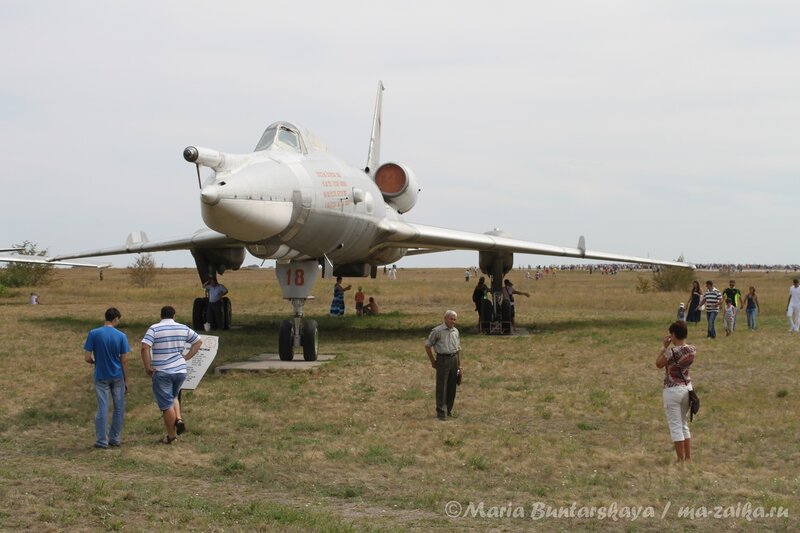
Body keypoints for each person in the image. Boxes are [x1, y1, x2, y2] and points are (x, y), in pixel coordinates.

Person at [141, 306, 202, 444]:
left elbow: (145, 347)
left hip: (163, 371)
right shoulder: (183, 328)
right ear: (174, 316)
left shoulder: (154, 328)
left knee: (166, 405)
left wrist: (148, 367)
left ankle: (171, 436)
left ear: (161, 316)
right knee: (173, 396)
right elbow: (198, 341)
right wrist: (186, 357)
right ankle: (178, 419)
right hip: (180, 370)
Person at [84, 307, 130, 449]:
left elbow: (87, 358)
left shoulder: (93, 333)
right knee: (119, 407)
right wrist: (126, 379)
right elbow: (124, 360)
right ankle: (115, 438)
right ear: (115, 319)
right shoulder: (121, 336)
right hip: (117, 376)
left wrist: (95, 362)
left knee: (103, 407)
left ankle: (102, 440)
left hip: (101, 375)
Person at [656, 321, 696, 464]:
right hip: (687, 388)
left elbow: (658, 363)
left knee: (675, 426)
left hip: (672, 390)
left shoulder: (671, 352)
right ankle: (688, 457)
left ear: (673, 334)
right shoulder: (692, 350)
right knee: (683, 423)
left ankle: (680, 459)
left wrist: (664, 347)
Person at [424, 310, 463, 421]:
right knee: (442, 387)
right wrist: (433, 361)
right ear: (445, 318)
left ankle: (449, 411)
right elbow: (427, 345)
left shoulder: (456, 331)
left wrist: (459, 365)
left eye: (455, 319)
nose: (453, 321)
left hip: (454, 358)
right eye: (451, 319)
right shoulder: (437, 331)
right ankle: (441, 413)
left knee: (452, 386)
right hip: (442, 359)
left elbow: (458, 348)